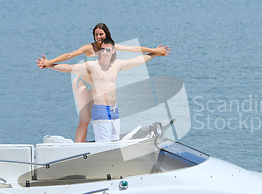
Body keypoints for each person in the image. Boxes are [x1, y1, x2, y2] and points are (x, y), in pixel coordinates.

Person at [36, 23, 170, 142]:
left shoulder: (111, 47)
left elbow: (134, 50)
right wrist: (50, 62)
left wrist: (155, 51)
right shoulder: (90, 49)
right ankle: (78, 148)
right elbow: (70, 56)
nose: (98, 37)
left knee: (104, 120)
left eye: (101, 34)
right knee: (85, 119)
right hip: (84, 82)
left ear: (107, 35)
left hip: (103, 92)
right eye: (96, 35)